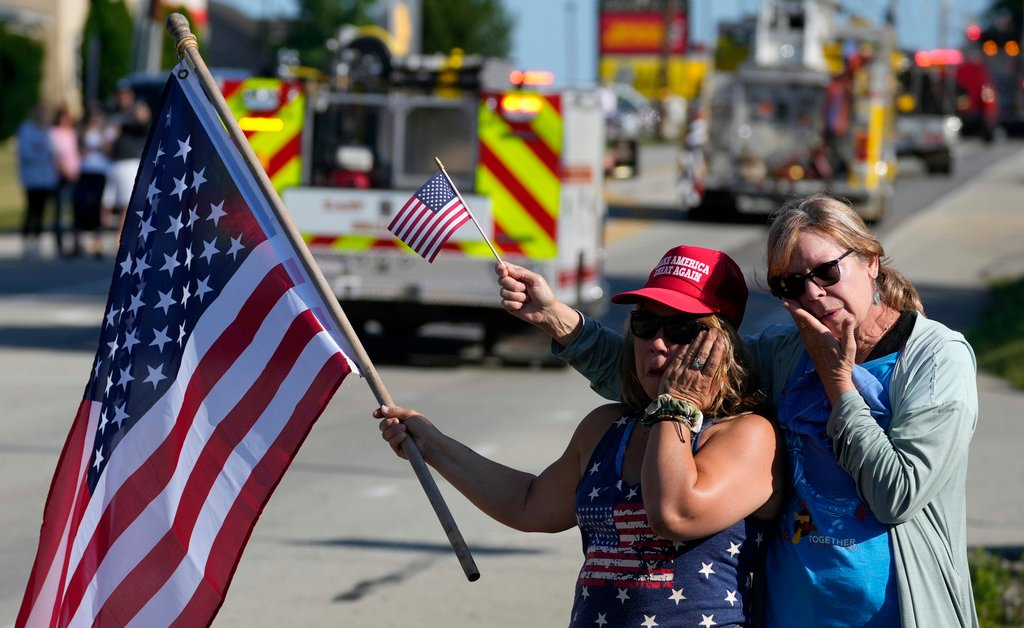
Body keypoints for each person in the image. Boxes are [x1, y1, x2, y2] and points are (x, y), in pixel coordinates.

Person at [496, 194, 979, 627]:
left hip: (894, 614)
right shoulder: (787, 351)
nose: (812, 293)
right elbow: (667, 370)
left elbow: (896, 495)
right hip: (788, 613)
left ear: (871, 261)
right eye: (790, 285)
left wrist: (839, 388)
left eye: (826, 272)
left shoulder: (935, 358)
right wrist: (557, 319)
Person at [378, 245, 784, 626]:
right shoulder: (605, 427)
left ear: (722, 344)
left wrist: (676, 405)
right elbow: (529, 505)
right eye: (645, 324)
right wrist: (432, 444)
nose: (658, 343)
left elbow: (675, 514)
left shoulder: (748, 434)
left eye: (680, 330)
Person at [104, 83, 151, 233]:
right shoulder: (113, 113)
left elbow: (143, 117)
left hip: (131, 162)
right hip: (114, 163)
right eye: (120, 94)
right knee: (107, 203)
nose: (122, 97)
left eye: (125, 94)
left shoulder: (136, 110)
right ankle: (102, 236)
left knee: (127, 203)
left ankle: (120, 237)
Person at [15, 103, 59, 260]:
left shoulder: (48, 131)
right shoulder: (26, 130)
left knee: (41, 211)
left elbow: (53, 153)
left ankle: (37, 242)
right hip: (31, 178)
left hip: (46, 179)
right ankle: (27, 242)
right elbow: (27, 153)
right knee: (31, 210)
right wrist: (42, 153)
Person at [72, 102, 113, 258]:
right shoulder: (82, 130)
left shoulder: (105, 130)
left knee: (98, 208)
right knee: (80, 207)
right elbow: (80, 151)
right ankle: (76, 243)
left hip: (101, 172)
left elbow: (108, 149)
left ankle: (97, 244)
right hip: (85, 171)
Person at [50, 105, 81, 257]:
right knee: (60, 210)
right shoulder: (54, 133)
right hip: (61, 176)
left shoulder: (73, 133)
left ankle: (76, 243)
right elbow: (55, 155)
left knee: (76, 210)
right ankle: (59, 243)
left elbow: (76, 153)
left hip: (75, 174)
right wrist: (65, 171)